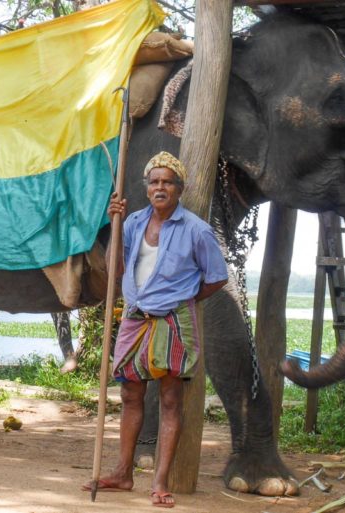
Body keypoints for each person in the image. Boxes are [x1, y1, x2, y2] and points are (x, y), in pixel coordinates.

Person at [84, 151, 228, 508]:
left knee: (169, 400)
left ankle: (160, 483)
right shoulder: (132, 222)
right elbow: (115, 269)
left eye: (167, 182)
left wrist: (184, 298)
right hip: (135, 316)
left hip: (173, 321)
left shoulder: (197, 230)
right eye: (154, 182)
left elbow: (217, 278)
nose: (160, 187)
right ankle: (122, 473)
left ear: (179, 189)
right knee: (131, 396)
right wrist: (114, 225)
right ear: (147, 188)